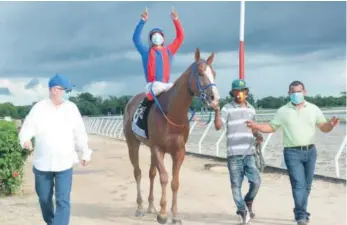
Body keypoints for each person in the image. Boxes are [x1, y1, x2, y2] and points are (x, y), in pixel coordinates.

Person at [245, 81, 340, 225]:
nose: (296, 94)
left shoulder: (313, 109)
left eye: (299, 91)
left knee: (307, 185)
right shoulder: (283, 111)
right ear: (289, 93)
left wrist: (331, 125)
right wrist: (255, 126)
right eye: (293, 92)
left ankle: (300, 211)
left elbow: (323, 127)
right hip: (292, 152)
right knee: (298, 184)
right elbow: (271, 127)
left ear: (304, 92)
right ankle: (301, 216)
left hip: (310, 151)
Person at [19, 74, 92, 225]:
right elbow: (27, 128)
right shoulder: (39, 108)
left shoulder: (71, 109)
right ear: (54, 90)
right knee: (44, 199)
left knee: (63, 200)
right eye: (64, 89)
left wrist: (85, 152)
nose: (66, 93)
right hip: (42, 164)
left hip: (64, 163)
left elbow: (79, 132)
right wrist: (25, 140)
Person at [214, 79, 263, 225]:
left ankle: (248, 201)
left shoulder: (251, 109)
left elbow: (254, 128)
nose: (239, 93)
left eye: (242, 91)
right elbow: (218, 126)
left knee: (256, 182)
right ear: (233, 93)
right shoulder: (226, 108)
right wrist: (216, 111)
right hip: (234, 154)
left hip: (250, 153)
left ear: (246, 92)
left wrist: (258, 135)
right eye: (236, 91)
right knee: (236, 185)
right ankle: (242, 211)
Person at [132, 6, 184, 109]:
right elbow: (136, 39)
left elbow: (180, 37)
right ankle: (142, 112)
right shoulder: (146, 52)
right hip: (153, 85)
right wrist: (142, 21)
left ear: (163, 38)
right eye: (154, 35)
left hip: (166, 85)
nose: (156, 36)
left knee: (180, 91)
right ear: (151, 39)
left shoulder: (168, 51)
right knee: (158, 87)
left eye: (158, 34)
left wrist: (176, 20)